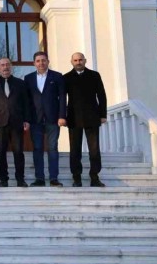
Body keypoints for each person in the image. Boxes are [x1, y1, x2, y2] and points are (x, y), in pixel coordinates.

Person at [64, 52, 108, 187]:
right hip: (73, 118)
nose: (78, 62)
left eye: (80, 60)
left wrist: (103, 115)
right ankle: (76, 178)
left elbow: (101, 95)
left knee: (94, 150)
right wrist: (63, 116)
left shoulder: (94, 75)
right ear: (71, 62)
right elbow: (62, 98)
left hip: (92, 117)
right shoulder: (66, 77)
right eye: (75, 60)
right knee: (75, 150)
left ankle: (94, 177)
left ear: (85, 60)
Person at [24, 51, 66, 187]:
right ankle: (40, 179)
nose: (41, 63)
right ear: (34, 63)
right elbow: (27, 101)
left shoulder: (57, 76)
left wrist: (62, 116)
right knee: (37, 148)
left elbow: (62, 97)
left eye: (43, 60)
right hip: (35, 119)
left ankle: (53, 178)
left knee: (52, 147)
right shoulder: (28, 78)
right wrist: (26, 119)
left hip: (53, 118)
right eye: (38, 61)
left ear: (48, 62)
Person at [0, 58, 30, 187]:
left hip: (17, 122)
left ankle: (20, 179)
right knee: (1, 152)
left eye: (7, 64)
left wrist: (26, 120)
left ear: (11, 66)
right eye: (2, 65)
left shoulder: (20, 83)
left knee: (18, 152)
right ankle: (3, 179)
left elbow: (26, 103)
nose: (5, 67)